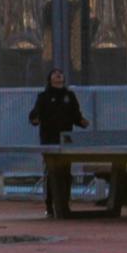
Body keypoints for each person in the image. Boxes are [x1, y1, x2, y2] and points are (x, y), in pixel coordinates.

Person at [28, 67, 89, 217]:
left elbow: (76, 115)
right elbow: (35, 114)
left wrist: (82, 122)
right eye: (55, 74)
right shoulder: (43, 96)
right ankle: (50, 205)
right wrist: (35, 119)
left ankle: (64, 204)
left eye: (60, 73)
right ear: (50, 79)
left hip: (66, 140)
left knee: (65, 172)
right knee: (52, 172)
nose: (58, 75)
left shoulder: (70, 96)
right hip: (49, 139)